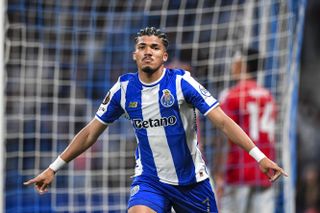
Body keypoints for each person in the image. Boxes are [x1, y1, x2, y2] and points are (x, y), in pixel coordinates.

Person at [24, 27, 287, 213]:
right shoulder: (123, 89)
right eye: (142, 47)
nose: (147, 51)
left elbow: (222, 121)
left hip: (192, 182)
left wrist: (259, 156)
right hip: (150, 180)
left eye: (154, 47)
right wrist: (54, 167)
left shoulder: (182, 82)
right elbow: (91, 132)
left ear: (164, 56)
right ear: (134, 55)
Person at [214, 48, 278, 213]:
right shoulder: (268, 95)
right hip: (265, 170)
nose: (232, 67)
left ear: (242, 65)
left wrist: (218, 172)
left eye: (235, 62)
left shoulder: (233, 95)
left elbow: (224, 135)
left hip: (238, 171)